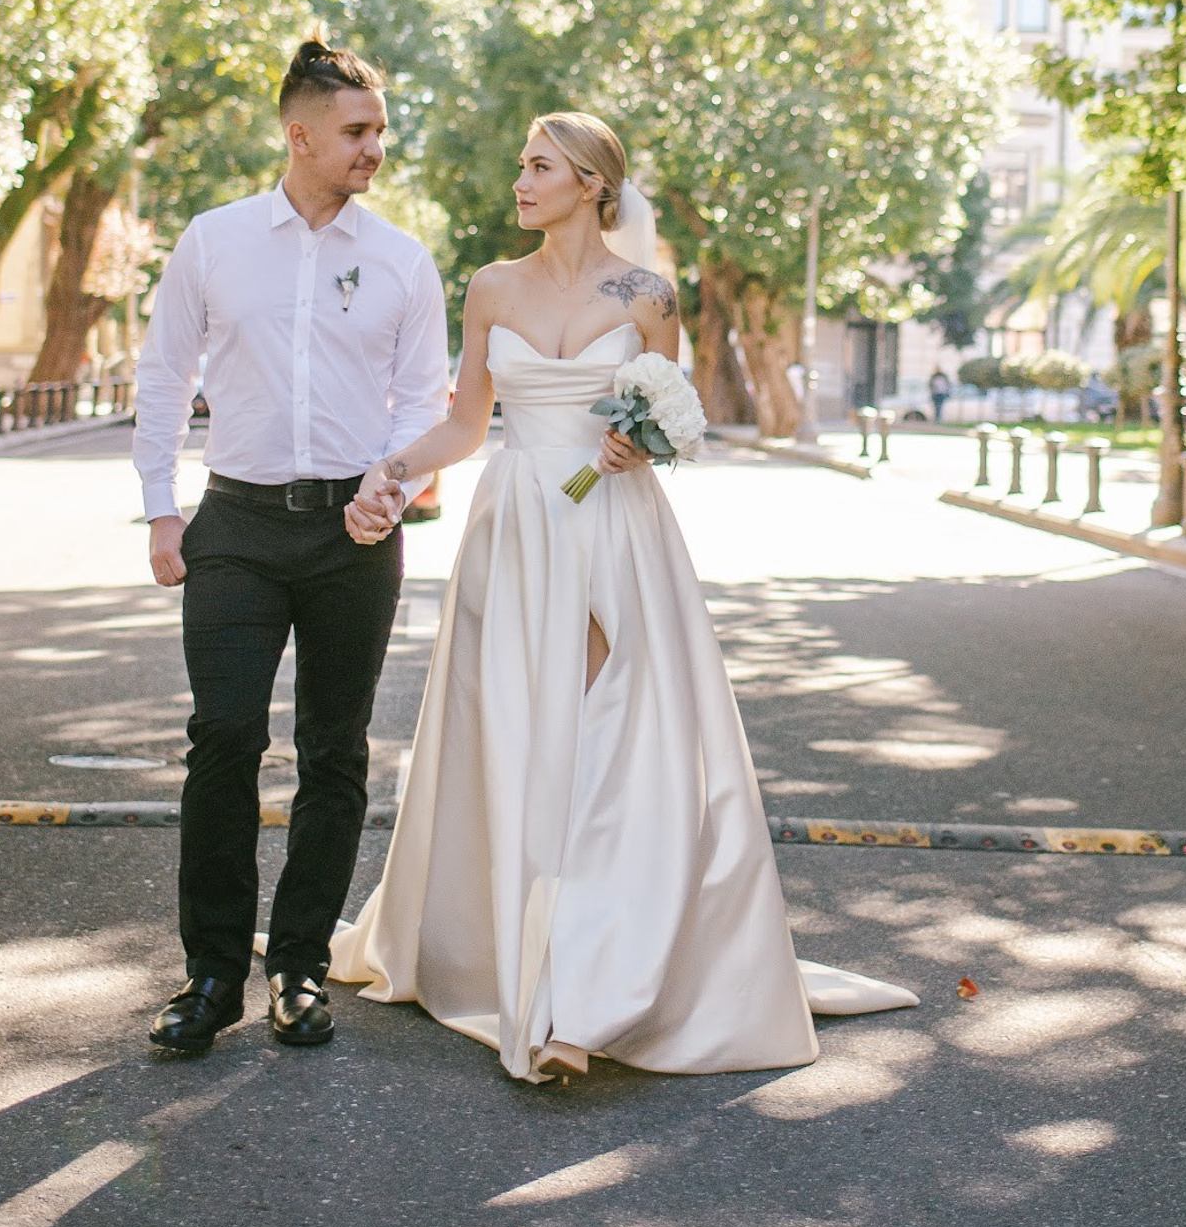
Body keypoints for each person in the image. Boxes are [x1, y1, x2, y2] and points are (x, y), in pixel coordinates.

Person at [328, 110, 914, 1083]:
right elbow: (468, 423)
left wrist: (642, 440)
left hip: (611, 525)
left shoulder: (650, 295)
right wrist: (391, 470)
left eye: (539, 166)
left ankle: (594, 991)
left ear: (593, 183)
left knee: (612, 745)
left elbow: (666, 414)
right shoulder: (490, 288)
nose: (519, 180)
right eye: (522, 164)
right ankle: (529, 966)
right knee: (524, 742)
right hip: (518, 526)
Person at [134, 38, 447, 1059]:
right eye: (357, 131)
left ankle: (301, 967)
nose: (375, 148)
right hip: (236, 526)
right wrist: (160, 509)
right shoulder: (214, 241)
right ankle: (214, 973)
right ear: (299, 133)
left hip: (353, 537)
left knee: (333, 752)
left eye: (380, 129)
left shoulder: (401, 258)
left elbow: (422, 400)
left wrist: (390, 487)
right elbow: (164, 374)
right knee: (223, 737)